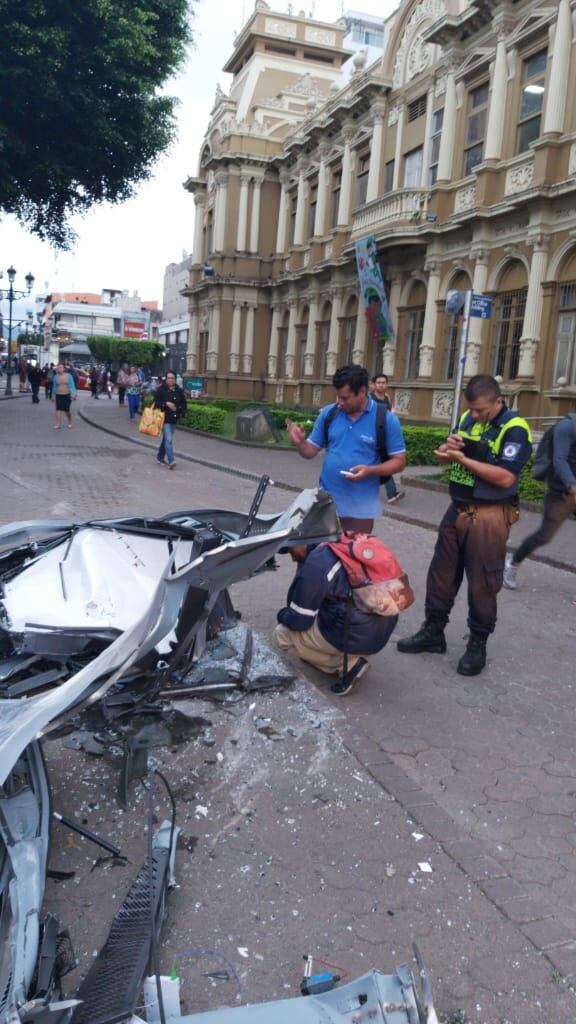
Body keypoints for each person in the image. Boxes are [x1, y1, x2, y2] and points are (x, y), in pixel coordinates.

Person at [397, 374, 532, 676]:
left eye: (481, 409)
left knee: (484, 581)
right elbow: (455, 456)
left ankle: (477, 645)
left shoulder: (515, 428)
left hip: (490, 514)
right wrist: (448, 452)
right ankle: (433, 632)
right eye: (471, 409)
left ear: (498, 401)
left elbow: (506, 477)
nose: (474, 415)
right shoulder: (468, 419)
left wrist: (462, 457)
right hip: (457, 508)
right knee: (441, 574)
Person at [286, 364, 406, 533]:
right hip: (326, 504)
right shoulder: (329, 414)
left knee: (352, 556)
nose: (340, 403)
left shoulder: (386, 420)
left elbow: (399, 462)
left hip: (361, 510)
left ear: (362, 392)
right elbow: (310, 451)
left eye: (345, 398)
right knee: (320, 556)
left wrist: (369, 470)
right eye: (338, 397)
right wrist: (300, 443)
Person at [274, 543, 399, 696]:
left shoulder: (317, 562)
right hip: (382, 629)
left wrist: (282, 614)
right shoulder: (342, 542)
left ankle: (346, 665)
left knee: (282, 634)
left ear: (302, 538)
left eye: (291, 550)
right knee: (328, 607)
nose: (292, 558)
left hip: (357, 636)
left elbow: (299, 621)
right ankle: (348, 655)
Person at [504, 412, 576, 589]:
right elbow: (559, 460)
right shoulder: (567, 427)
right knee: (544, 536)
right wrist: (573, 487)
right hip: (563, 493)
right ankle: (512, 563)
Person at [371, 373, 405, 505]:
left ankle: (391, 493)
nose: (381, 385)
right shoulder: (370, 399)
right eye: (378, 382)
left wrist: (392, 414)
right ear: (374, 385)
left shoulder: (387, 398)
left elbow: (391, 414)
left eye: (383, 382)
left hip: (384, 435)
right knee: (380, 462)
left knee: (382, 463)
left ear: (387, 384)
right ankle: (391, 493)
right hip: (372, 435)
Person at [152, 370, 187, 469]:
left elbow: (184, 403)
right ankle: (171, 461)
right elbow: (155, 403)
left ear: (175, 379)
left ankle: (159, 457)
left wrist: (181, 412)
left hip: (174, 418)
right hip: (164, 418)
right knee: (169, 439)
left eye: (173, 378)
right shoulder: (161, 390)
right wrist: (166, 403)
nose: (171, 380)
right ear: (166, 379)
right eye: (169, 378)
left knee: (166, 439)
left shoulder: (178, 390)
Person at [50, 362, 77, 429]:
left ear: (64, 369)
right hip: (58, 395)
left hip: (67, 395)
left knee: (66, 410)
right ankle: (58, 424)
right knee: (58, 409)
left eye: (61, 367)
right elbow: (54, 387)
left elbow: (72, 386)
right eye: (58, 367)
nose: (59, 369)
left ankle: (70, 421)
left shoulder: (69, 376)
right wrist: (53, 395)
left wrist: (73, 394)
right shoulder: (56, 377)